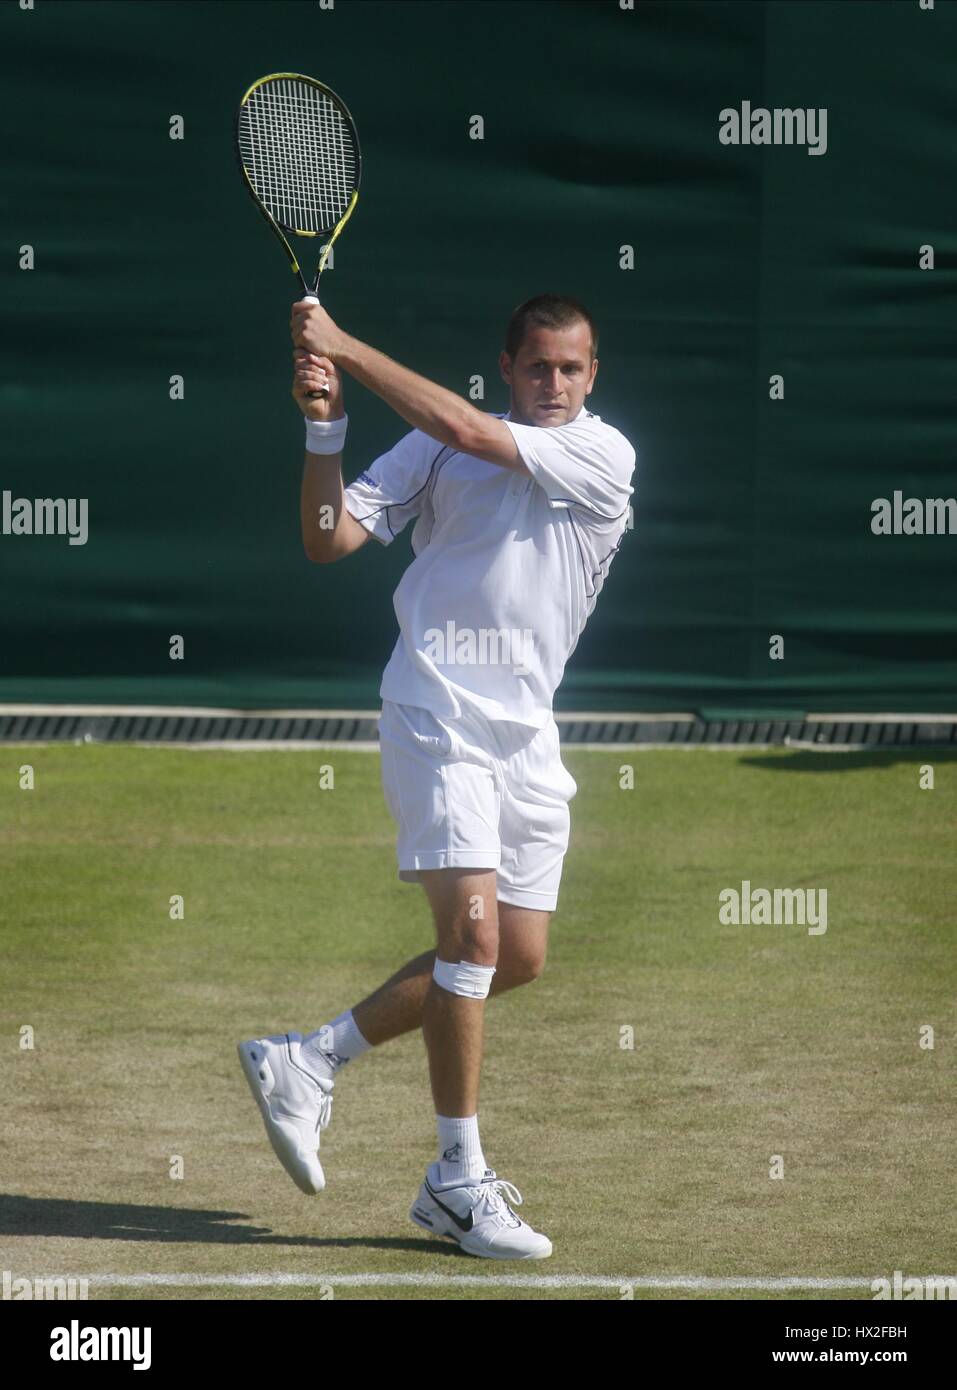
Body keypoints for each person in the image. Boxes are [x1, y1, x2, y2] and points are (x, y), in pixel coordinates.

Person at [238, 293, 636, 1260]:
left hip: (526, 737)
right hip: (433, 708)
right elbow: (327, 535)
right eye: (537, 366)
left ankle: (307, 1060)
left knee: (517, 957)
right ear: (508, 365)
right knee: (471, 931)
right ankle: (455, 1182)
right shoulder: (437, 446)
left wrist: (342, 345)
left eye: (570, 369)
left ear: (592, 376)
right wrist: (322, 426)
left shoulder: (603, 454)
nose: (553, 384)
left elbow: (458, 423)